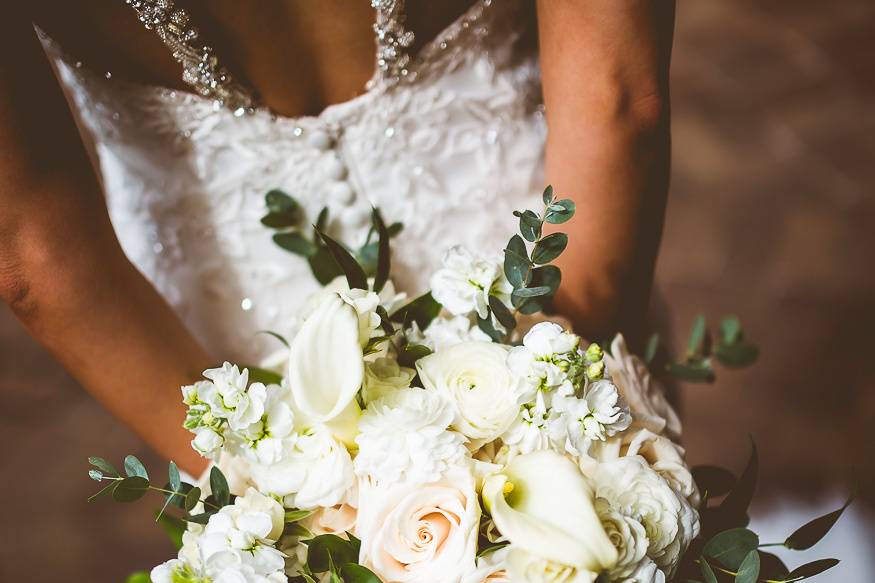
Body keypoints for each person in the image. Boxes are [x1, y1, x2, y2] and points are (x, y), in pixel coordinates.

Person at [0, 1, 674, 474]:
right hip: (559, 265)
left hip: (235, 354)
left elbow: (35, 256)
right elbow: (617, 103)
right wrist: (560, 402)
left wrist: (271, 499)